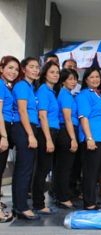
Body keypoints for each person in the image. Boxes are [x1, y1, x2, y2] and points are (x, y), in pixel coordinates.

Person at [76, 67, 101, 210]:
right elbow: (83, 117)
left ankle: (92, 199)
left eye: (97, 77)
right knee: (90, 171)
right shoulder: (84, 95)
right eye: (92, 77)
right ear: (86, 80)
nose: (95, 79)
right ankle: (89, 202)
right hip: (92, 137)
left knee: (99, 170)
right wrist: (89, 138)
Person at [12, 57, 40, 220]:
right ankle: (21, 207)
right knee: (24, 169)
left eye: (37, 67)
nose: (36, 70)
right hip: (23, 128)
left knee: (25, 168)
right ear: (24, 69)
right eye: (32, 67)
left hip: (28, 127)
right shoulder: (22, 86)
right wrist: (30, 134)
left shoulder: (30, 87)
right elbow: (22, 112)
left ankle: (20, 205)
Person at [32, 61, 60, 214]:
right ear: (45, 74)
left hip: (52, 131)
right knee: (42, 169)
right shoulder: (43, 90)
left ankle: (38, 202)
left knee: (45, 168)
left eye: (57, 72)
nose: (55, 75)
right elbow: (42, 116)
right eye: (52, 72)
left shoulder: (51, 91)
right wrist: (48, 139)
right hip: (46, 132)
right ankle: (38, 204)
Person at [0, 56, 22, 222]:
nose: (13, 72)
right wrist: (4, 136)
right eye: (10, 68)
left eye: (16, 69)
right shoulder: (1, 85)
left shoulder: (7, 86)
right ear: (1, 68)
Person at [54, 69, 79, 209]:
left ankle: (61, 195)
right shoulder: (66, 95)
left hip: (66, 131)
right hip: (66, 132)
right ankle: (63, 197)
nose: (73, 81)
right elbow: (68, 119)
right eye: (70, 79)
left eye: (75, 79)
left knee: (63, 167)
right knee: (65, 167)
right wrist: (73, 139)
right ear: (63, 80)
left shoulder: (67, 94)